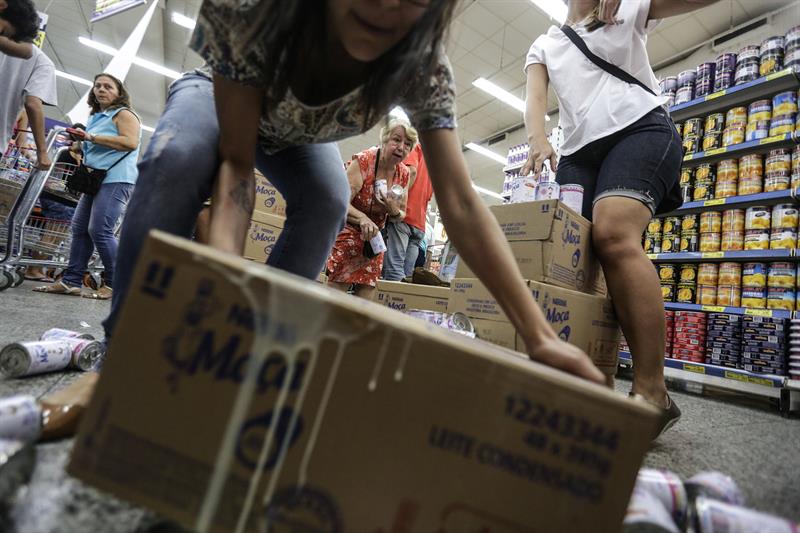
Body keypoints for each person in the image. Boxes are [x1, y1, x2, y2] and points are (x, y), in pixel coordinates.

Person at [104, 0, 603, 385]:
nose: (387, 7)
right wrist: (222, 291)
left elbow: (462, 206)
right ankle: (125, 343)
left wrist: (539, 336)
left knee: (326, 202)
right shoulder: (254, 10)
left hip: (301, 135)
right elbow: (236, 165)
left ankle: (253, 343)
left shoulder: (421, 63)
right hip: (220, 98)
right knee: (177, 158)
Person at [522, 0, 720, 434]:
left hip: (640, 130)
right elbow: (535, 100)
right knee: (573, 267)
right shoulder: (545, 44)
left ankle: (652, 391)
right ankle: (592, 384)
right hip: (577, 155)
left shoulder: (626, 6)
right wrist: (537, 139)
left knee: (612, 234)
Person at [34, 73, 141, 299]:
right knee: (80, 228)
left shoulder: (124, 114)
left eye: (108, 87)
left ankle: (116, 283)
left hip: (116, 178)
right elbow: (98, 146)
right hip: (95, 178)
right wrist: (81, 145)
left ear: (119, 93)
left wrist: (91, 138)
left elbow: (130, 142)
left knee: (100, 230)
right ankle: (71, 281)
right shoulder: (96, 116)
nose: (101, 89)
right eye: (97, 86)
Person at [328, 119, 414, 299]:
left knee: (366, 298)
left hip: (374, 241)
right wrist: (362, 218)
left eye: (408, 144)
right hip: (348, 232)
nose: (401, 147)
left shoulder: (404, 174)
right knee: (335, 299)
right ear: (384, 140)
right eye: (396, 140)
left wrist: (393, 210)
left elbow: (401, 214)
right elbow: (340, 202)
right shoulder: (364, 161)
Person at [0, 31, 56, 170]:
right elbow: (32, 103)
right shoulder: (41, 62)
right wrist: (42, 153)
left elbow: (21, 143)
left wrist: (32, 157)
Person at [382, 142, 432, 281]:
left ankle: (392, 296)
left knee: (394, 268)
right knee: (408, 274)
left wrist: (396, 200)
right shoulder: (433, 163)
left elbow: (411, 171)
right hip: (419, 223)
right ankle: (403, 295)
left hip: (403, 217)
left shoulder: (417, 147)